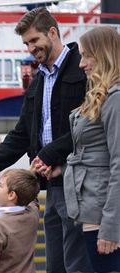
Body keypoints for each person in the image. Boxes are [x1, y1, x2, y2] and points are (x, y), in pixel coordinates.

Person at [0, 7, 93, 273]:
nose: (31, 48)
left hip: (79, 182)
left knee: (77, 266)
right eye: (27, 43)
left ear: (52, 32)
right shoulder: (39, 80)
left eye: (34, 40)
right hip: (51, 186)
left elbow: (92, 125)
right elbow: (21, 135)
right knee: (55, 267)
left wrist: (51, 153)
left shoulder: (83, 68)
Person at [42, 26, 120, 273]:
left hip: (102, 215)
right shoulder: (103, 96)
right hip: (92, 210)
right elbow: (98, 155)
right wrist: (63, 169)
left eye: (87, 56)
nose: (82, 63)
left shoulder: (115, 99)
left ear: (104, 54)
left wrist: (111, 226)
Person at [0, 169, 40, 273]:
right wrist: (30, 177)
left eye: (0, 185)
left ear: (11, 195)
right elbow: (33, 200)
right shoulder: (32, 215)